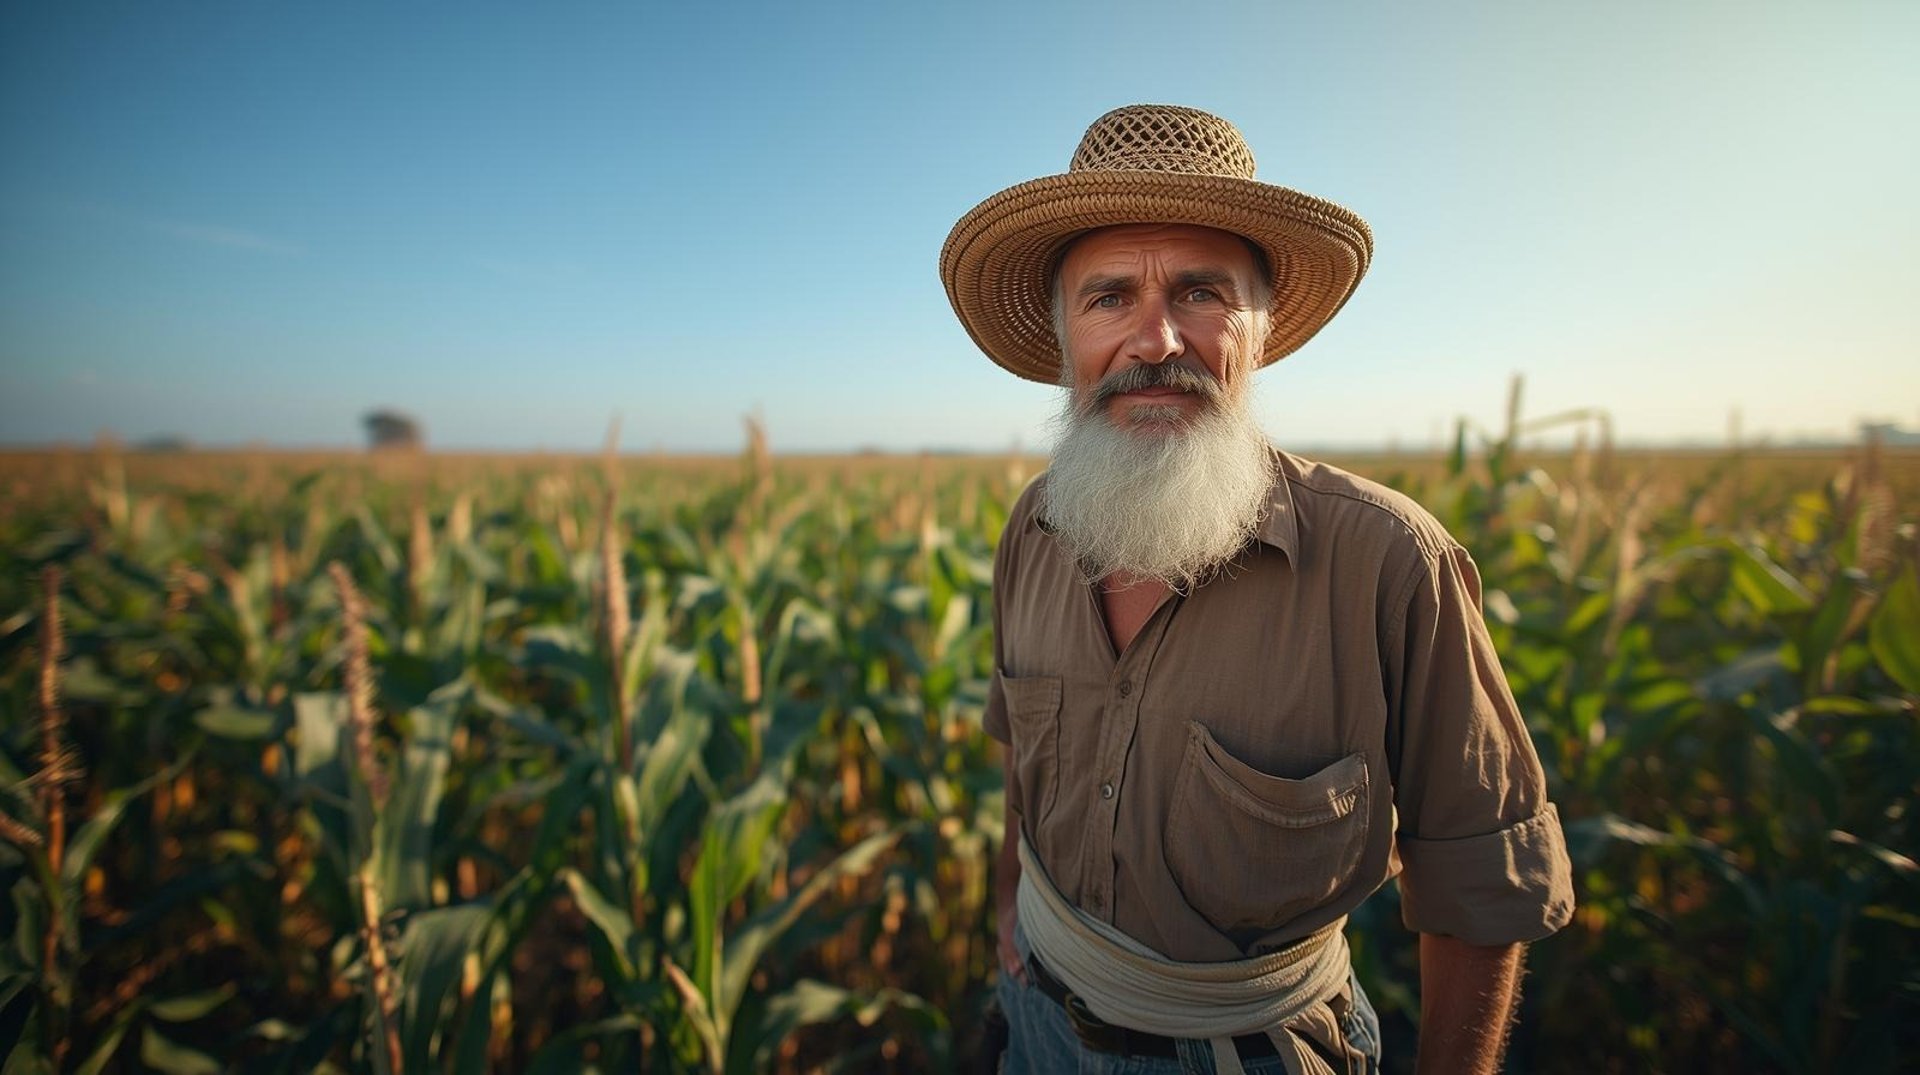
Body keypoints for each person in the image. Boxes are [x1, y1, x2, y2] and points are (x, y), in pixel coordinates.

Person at [939, 104, 1575, 1075]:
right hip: (1034, 1020)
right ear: (1066, 338)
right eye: (1109, 297)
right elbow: (1023, 763)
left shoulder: (1389, 562)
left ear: (1261, 330)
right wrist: (1005, 920)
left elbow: (1482, 878)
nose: (1154, 340)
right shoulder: (1032, 527)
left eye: (1200, 292)